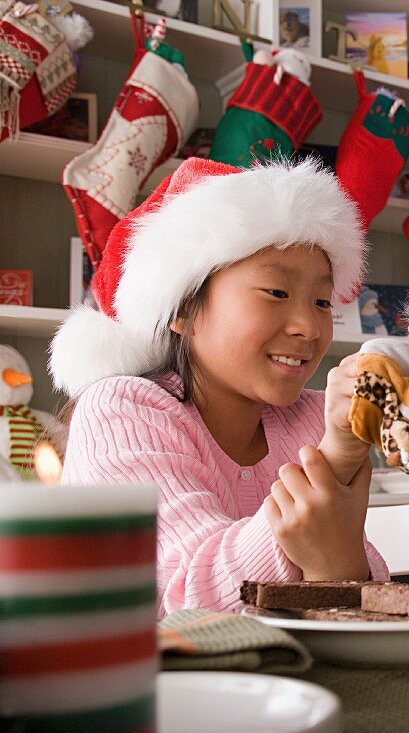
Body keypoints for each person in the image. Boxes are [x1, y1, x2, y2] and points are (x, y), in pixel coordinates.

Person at [51, 158, 388, 616]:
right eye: (276, 292)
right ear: (182, 310)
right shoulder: (120, 411)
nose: (309, 326)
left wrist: (338, 566)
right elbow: (187, 601)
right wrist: (336, 461)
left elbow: (364, 593)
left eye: (323, 301)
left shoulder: (311, 418)